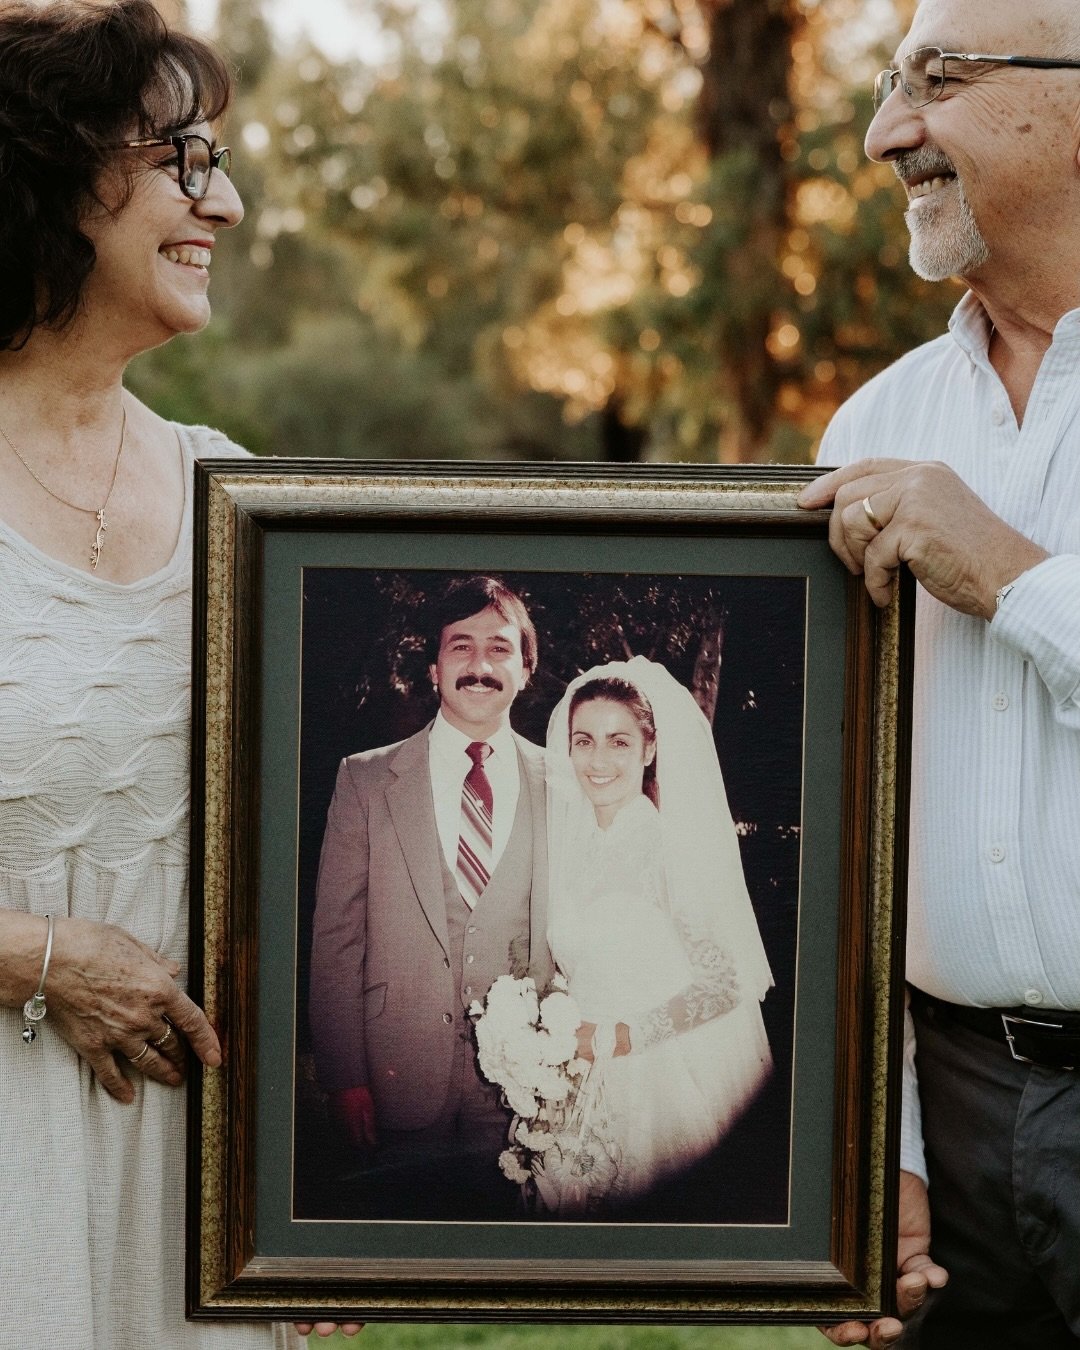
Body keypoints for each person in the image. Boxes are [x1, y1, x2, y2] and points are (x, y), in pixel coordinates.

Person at [0, 1, 363, 1345]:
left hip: (189, 1197)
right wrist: (34, 956)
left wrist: (330, 1211)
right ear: (49, 173)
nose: (231, 200)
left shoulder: (239, 497)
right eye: (183, 160)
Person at [798, 1, 1080, 1344]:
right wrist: (881, 1131)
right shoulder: (873, 423)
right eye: (889, 82)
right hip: (951, 1121)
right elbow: (837, 826)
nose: (881, 132)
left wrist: (1013, 577)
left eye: (937, 80)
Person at [309, 575, 553, 1219]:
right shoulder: (365, 779)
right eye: (460, 647)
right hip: (392, 1077)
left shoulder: (564, 784)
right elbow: (336, 939)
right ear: (434, 668)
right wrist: (344, 1077)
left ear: (525, 669)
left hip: (525, 1089)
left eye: (499, 649)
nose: (480, 666)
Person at [537, 656, 773, 1215]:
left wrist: (623, 1037)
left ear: (649, 750)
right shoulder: (566, 849)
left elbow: (723, 983)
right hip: (569, 1079)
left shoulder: (668, 850)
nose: (597, 760)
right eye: (583, 741)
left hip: (654, 1075)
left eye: (619, 742)